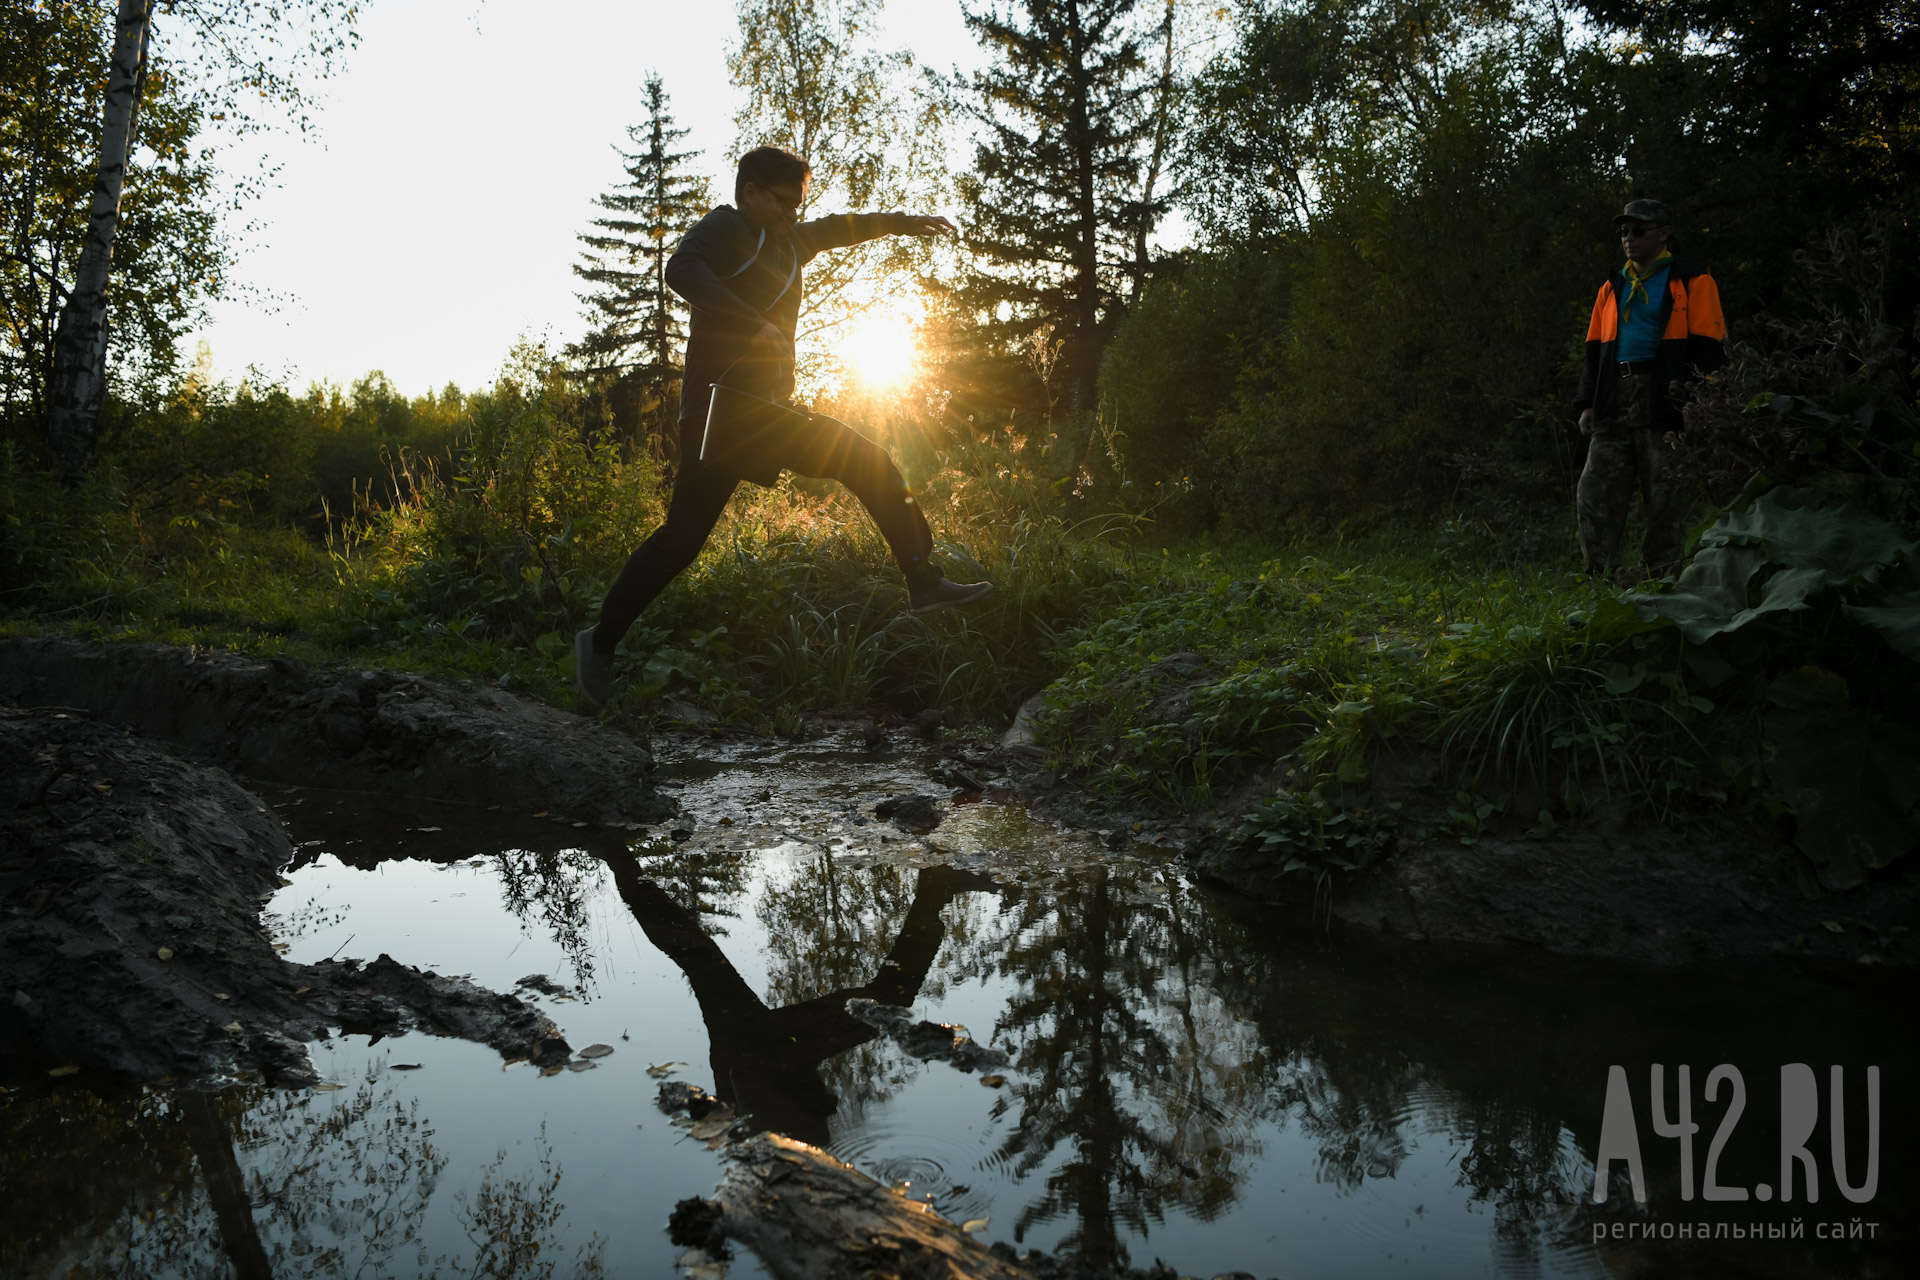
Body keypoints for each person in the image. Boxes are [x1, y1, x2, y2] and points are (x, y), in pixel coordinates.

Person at [574, 146, 990, 708]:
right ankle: (599, 645)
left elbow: (842, 228)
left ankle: (923, 581)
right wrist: (752, 324)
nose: (795, 212)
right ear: (750, 193)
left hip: (761, 412)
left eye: (800, 202)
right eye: (784, 201)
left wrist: (902, 223)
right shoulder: (727, 227)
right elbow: (680, 268)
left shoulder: (793, 241)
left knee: (855, 465)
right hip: (719, 412)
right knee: (690, 536)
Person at [1572, 197, 1727, 577]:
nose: (1629, 238)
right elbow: (1595, 351)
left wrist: (1701, 402)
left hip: (1667, 396)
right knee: (1594, 492)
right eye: (1624, 232)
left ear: (1664, 232)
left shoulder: (1693, 280)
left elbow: (1711, 348)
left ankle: (1662, 577)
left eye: (1639, 230)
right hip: (1614, 397)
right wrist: (1587, 403)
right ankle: (1602, 578)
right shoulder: (1612, 286)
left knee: (1665, 495)